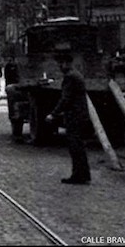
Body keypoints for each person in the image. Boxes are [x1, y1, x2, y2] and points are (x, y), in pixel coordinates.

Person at [46, 52, 92, 185]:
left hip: (74, 116)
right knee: (79, 146)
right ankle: (83, 174)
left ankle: (79, 175)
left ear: (66, 63)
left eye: (61, 64)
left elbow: (66, 99)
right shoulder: (76, 75)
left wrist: (53, 114)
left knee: (75, 147)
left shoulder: (70, 77)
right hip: (80, 115)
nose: (60, 66)